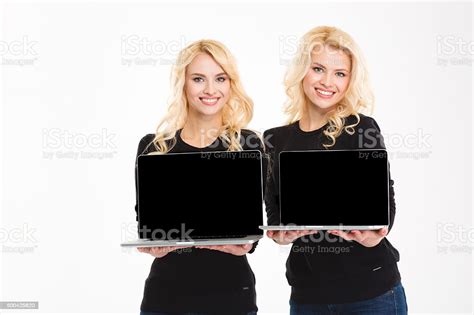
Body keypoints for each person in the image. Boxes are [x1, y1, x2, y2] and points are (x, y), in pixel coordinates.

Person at [264, 26, 408, 314]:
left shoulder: (362, 128)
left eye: (340, 73)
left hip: (372, 291)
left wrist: (376, 234)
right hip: (308, 296)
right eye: (318, 68)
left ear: (350, 80)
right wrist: (280, 235)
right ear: (302, 71)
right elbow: (276, 214)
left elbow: (385, 200)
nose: (327, 82)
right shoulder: (275, 140)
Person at [135, 39, 262, 315]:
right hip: (166, 298)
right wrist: (153, 243)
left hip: (232, 297)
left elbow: (253, 223)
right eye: (198, 79)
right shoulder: (155, 147)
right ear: (183, 83)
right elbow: (145, 220)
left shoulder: (249, 144)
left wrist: (249, 243)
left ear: (231, 85)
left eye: (220, 78)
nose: (210, 89)